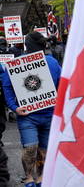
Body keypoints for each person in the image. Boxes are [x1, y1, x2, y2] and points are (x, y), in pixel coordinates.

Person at [2, 31, 61, 187]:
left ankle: (41, 178)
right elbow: (7, 87)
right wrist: (14, 107)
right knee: (30, 148)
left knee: (43, 150)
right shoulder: (17, 64)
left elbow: (62, 85)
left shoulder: (52, 63)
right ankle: (29, 178)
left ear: (27, 45)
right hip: (28, 115)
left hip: (48, 114)